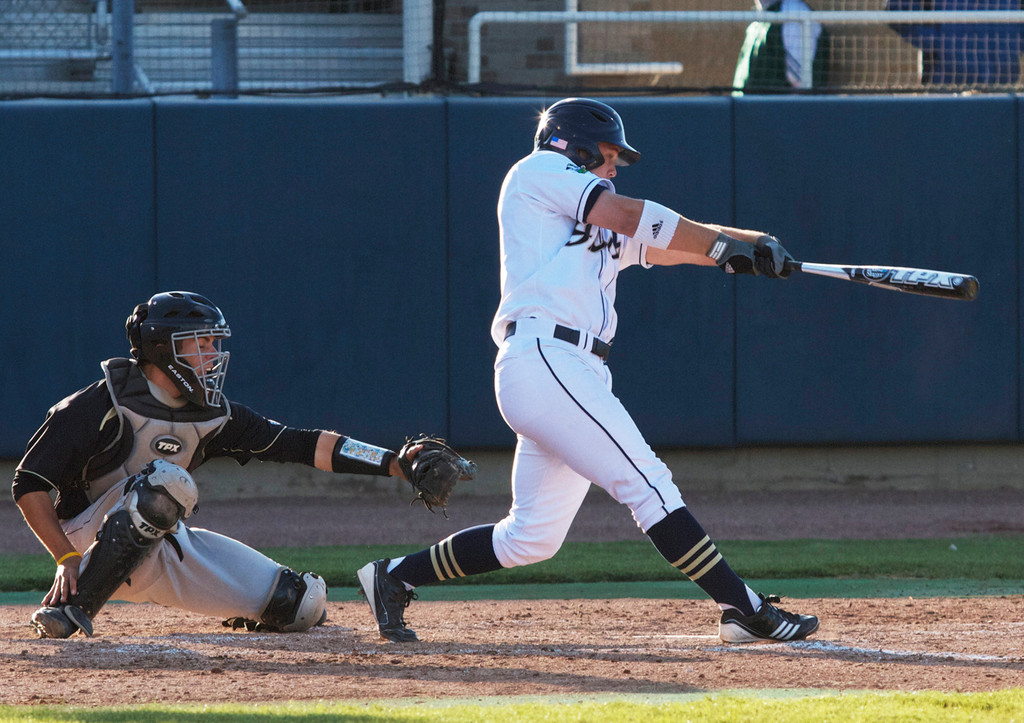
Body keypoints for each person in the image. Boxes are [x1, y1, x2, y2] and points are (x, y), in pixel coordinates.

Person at [355, 98, 820, 645]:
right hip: (547, 356)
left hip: (571, 370)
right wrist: (722, 247)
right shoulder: (540, 173)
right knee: (648, 484)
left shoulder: (592, 214)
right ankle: (744, 608)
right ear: (569, 144)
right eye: (608, 155)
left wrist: (748, 246)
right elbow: (633, 216)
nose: (615, 166)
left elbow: (667, 242)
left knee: (530, 538)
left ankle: (393, 577)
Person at [13, 290, 431, 639]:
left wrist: (393, 463)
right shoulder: (98, 405)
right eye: (202, 342)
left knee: (301, 604)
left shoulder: (214, 414)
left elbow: (303, 445)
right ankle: (73, 608)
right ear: (164, 347)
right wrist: (65, 556)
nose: (213, 354)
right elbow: (28, 483)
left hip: (159, 544)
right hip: (85, 539)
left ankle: (259, 601)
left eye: (215, 342)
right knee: (169, 482)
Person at [886, 0, 1024, 85]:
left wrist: (1016, 42)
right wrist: (938, 43)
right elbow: (896, 12)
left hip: (1004, 88)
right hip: (946, 87)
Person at [733, 0, 831, 94]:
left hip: (777, 108)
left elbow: (799, 84)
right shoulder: (762, 17)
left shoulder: (793, 12)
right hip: (748, 108)